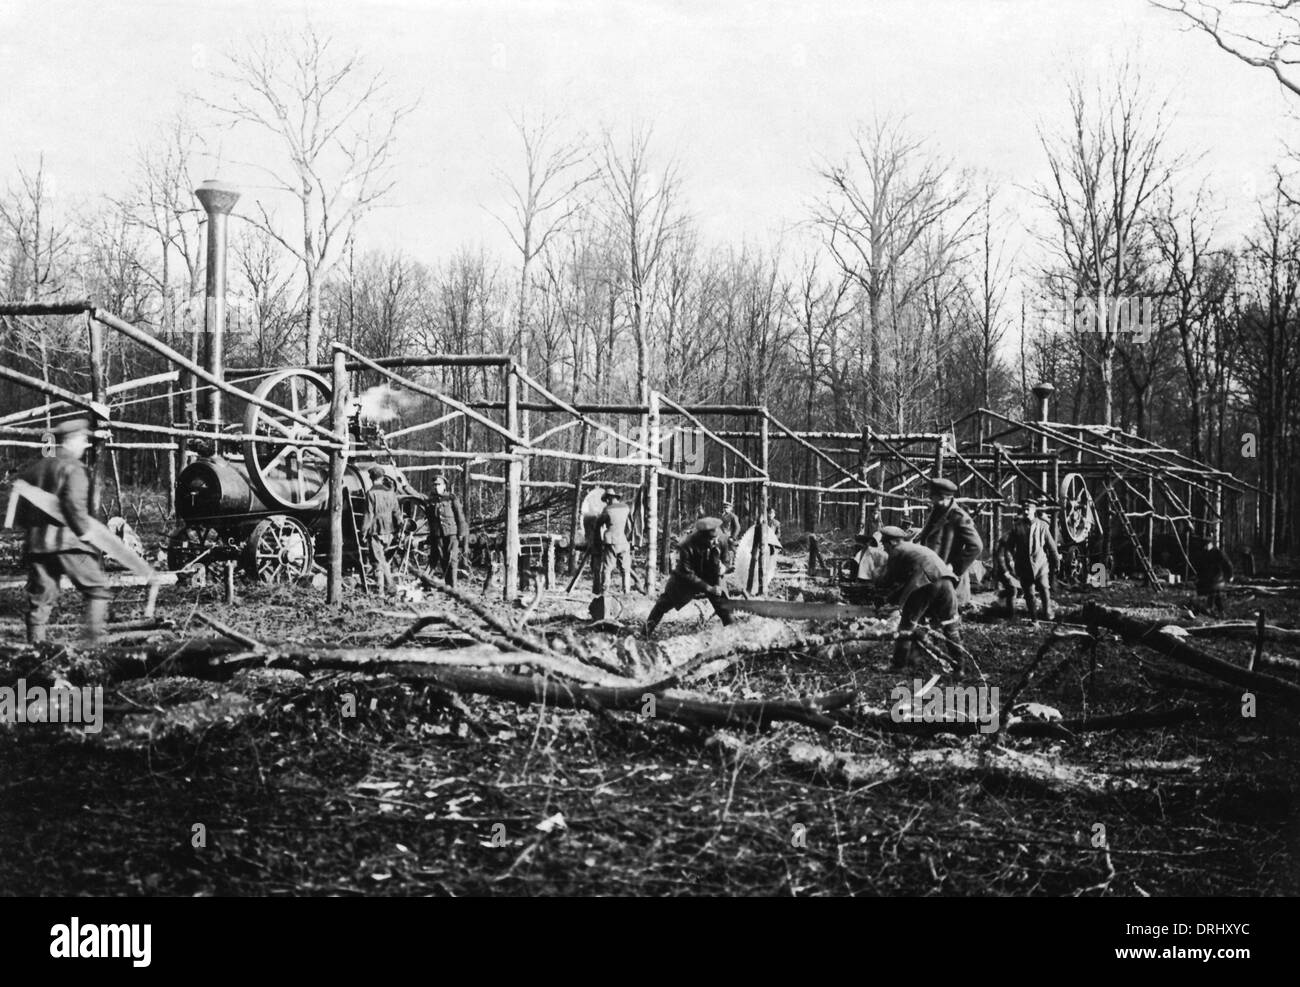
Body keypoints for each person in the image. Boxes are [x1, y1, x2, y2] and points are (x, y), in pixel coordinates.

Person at [15, 418, 112, 644]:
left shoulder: (33, 470)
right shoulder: (74, 468)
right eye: (82, 440)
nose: (84, 446)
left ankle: (35, 653)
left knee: (40, 601)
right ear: (70, 441)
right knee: (97, 589)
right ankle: (92, 648)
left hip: (37, 545)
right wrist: (85, 533)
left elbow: (19, 512)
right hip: (68, 543)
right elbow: (73, 505)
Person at [875, 525, 964, 671]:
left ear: (891, 543)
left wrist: (877, 582)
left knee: (906, 625)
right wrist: (892, 599)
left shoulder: (897, 551)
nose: (884, 549)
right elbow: (908, 582)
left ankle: (898, 665)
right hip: (946, 582)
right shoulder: (915, 548)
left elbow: (890, 580)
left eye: (884, 545)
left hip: (925, 584)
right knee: (950, 626)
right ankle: (960, 668)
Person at [644, 517, 733, 635]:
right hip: (687, 580)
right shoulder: (687, 544)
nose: (714, 542)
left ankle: (734, 637)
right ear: (702, 536)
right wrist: (709, 588)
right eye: (711, 540)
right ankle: (644, 633)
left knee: (725, 609)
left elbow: (726, 560)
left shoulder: (721, 538)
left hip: (712, 577)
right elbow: (687, 573)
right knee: (662, 604)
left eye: (716, 539)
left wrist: (724, 568)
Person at [916, 475, 983, 606]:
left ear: (943, 497)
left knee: (948, 616)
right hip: (933, 573)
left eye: (932, 495)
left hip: (949, 576)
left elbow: (976, 546)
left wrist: (954, 566)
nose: (930, 498)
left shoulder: (959, 517)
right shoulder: (937, 512)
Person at [1005, 500, 1059, 620]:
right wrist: (1010, 561)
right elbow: (1008, 547)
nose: (1025, 511)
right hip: (1023, 567)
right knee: (1029, 594)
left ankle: (1047, 610)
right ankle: (1034, 619)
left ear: (1034, 510)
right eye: (1024, 509)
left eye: (1028, 509)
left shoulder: (1043, 526)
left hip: (1040, 565)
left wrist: (1056, 561)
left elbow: (1051, 546)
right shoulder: (1017, 527)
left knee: (1044, 588)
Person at [361, 466, 402, 597]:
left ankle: (383, 591)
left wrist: (363, 532)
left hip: (375, 531)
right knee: (383, 559)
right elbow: (397, 513)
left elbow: (369, 515)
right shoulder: (391, 493)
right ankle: (388, 588)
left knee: (378, 562)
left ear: (371, 478)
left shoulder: (371, 494)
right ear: (382, 478)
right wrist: (399, 528)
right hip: (389, 532)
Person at [426, 474, 469, 586]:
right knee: (443, 560)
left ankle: (453, 585)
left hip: (451, 534)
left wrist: (461, 533)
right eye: (434, 485)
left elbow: (460, 516)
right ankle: (448, 585)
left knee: (452, 559)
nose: (436, 487)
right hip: (438, 535)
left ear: (444, 486)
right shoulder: (431, 500)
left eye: (439, 485)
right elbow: (430, 520)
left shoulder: (451, 498)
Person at [594, 490, 633, 595]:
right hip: (623, 542)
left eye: (606, 499)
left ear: (609, 498)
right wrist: (625, 537)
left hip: (611, 541)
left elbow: (598, 524)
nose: (606, 501)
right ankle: (626, 591)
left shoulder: (607, 509)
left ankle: (604, 591)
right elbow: (629, 527)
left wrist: (598, 539)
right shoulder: (626, 508)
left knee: (607, 568)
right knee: (625, 569)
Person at [1194, 537, 1234, 616]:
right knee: (1215, 594)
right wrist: (1197, 577)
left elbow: (1227, 564)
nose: (1205, 547)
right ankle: (1220, 611)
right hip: (1207, 578)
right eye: (1204, 545)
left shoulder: (1218, 553)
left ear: (1211, 544)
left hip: (1217, 578)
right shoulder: (1203, 554)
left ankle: (1210, 608)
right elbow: (1199, 566)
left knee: (1213, 592)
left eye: (1207, 545)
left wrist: (1230, 575)